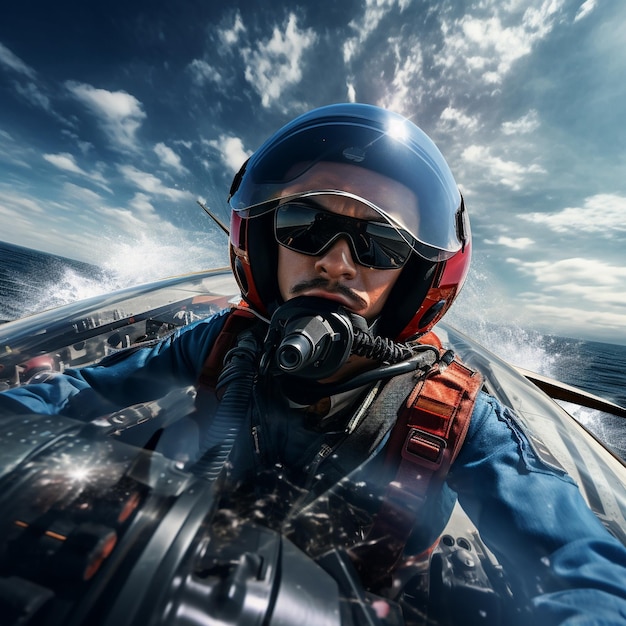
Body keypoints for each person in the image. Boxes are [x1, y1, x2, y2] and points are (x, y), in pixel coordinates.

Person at [1, 103, 626, 625]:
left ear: (417, 277)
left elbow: (585, 565)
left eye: (380, 242)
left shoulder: (451, 414)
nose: (335, 262)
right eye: (304, 222)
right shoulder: (224, 340)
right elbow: (73, 392)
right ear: (267, 238)